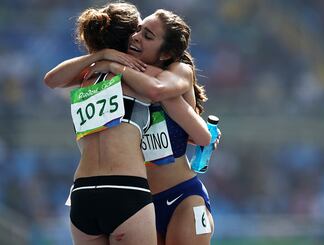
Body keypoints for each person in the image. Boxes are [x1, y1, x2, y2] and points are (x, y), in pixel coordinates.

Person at [45, 7, 218, 245]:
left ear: (166, 53)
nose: (136, 37)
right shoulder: (117, 75)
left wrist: (115, 66)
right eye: (137, 30)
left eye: (147, 36)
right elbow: (53, 80)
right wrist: (102, 58)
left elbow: (159, 92)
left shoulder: (174, 72)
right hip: (138, 199)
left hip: (180, 195)